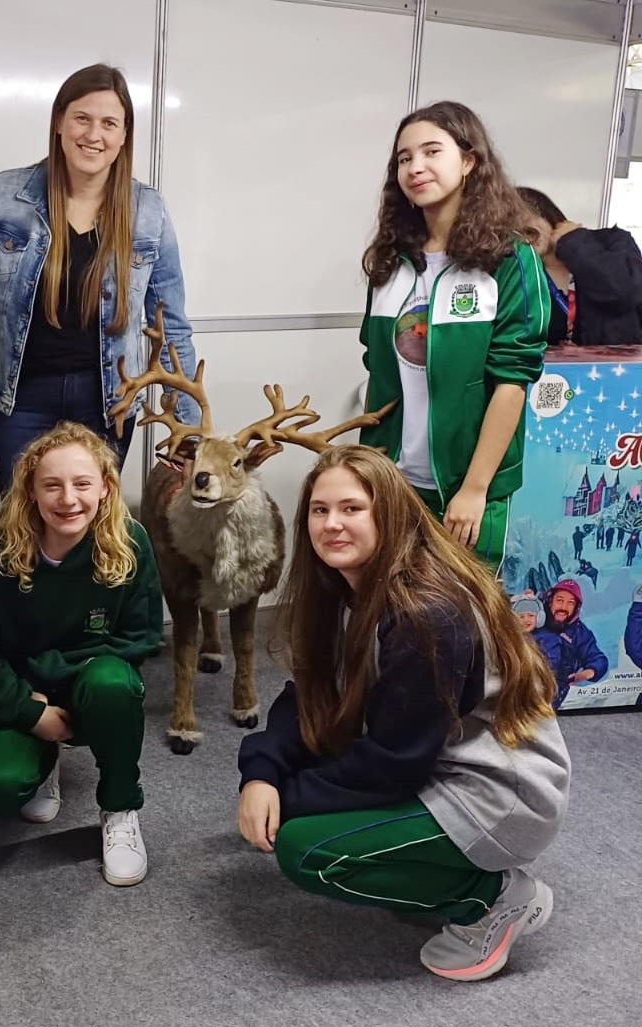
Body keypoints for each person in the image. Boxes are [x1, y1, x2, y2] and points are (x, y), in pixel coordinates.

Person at [238, 445, 570, 982]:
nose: (332, 524)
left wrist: (288, 799)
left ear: (388, 513)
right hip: (435, 757)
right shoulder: (349, 587)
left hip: (497, 793)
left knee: (306, 848)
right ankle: (429, 870)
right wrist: (262, 773)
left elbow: (395, 763)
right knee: (290, 793)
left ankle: (494, 898)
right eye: (320, 511)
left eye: (352, 508)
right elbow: (310, 692)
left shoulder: (425, 613)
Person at [0, 64, 198, 491]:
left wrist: (190, 431)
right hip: (21, 399)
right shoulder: (8, 193)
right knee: (22, 527)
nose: (94, 135)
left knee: (88, 528)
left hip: (109, 404)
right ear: (59, 122)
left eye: (109, 123)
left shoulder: (149, 211)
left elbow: (171, 327)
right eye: (82, 119)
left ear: (124, 135)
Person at [0, 422, 162, 886]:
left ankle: (120, 807)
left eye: (82, 483)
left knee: (114, 683)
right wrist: (30, 712)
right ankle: (43, 758)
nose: (68, 498)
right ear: (30, 490)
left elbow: (141, 639)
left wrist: (58, 680)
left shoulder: (130, 544)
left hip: (90, 683)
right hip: (22, 689)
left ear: (105, 489)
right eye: (52, 484)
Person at [359, 101, 549, 571]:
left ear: (468, 162)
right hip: (393, 480)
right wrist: (370, 465)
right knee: (393, 613)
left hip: (465, 488)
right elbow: (376, 370)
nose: (415, 167)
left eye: (431, 152)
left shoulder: (510, 259)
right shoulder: (390, 262)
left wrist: (476, 488)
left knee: (462, 623)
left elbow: (512, 382)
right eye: (404, 158)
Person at [518, 185, 642, 346]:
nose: (520, 230)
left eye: (523, 218)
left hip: (614, 368)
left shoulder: (611, 241)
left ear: (544, 213)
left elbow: (624, 291)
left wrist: (573, 242)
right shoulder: (522, 270)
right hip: (553, 370)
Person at [541, 578, 607, 706]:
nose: (564, 607)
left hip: (554, 692)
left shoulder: (580, 633)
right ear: (550, 601)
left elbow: (599, 659)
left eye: (570, 603)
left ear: (576, 608)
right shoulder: (536, 618)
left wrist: (586, 674)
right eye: (559, 600)